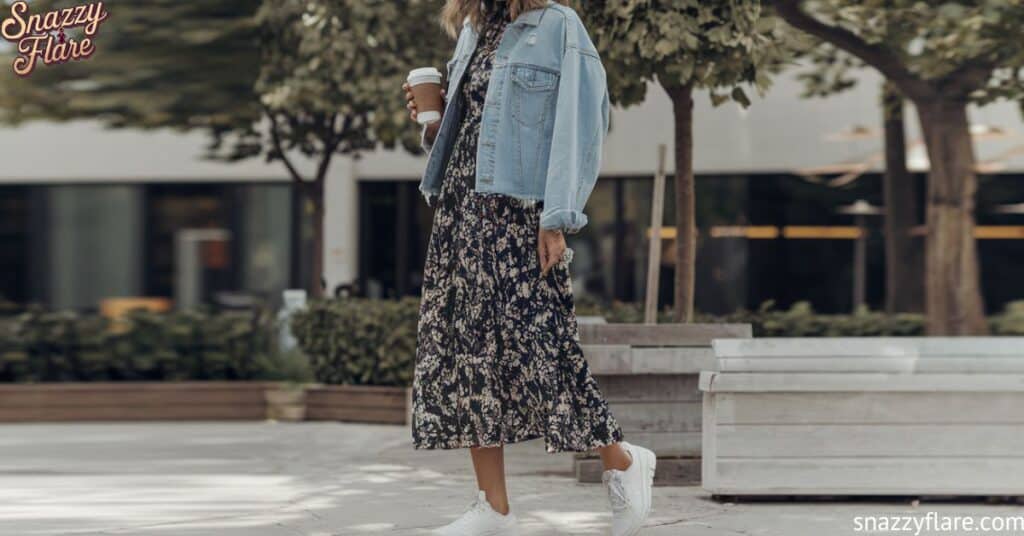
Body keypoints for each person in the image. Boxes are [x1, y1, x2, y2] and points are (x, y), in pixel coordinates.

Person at [403, 1, 655, 534]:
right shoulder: (474, 30)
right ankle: (492, 508)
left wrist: (557, 216)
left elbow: (581, 125)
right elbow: (469, 130)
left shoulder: (559, 27)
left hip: (521, 214)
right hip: (460, 211)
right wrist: (431, 121)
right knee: (467, 351)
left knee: (541, 346)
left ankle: (625, 461)